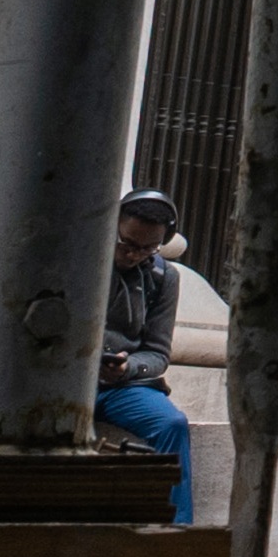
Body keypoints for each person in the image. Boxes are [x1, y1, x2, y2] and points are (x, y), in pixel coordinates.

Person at [93, 189, 198, 524]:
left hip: (121, 385)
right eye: (127, 242)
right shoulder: (80, 257)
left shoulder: (163, 277)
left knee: (172, 424)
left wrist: (127, 368)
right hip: (64, 378)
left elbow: (157, 353)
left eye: (148, 248)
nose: (134, 254)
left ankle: (175, 528)